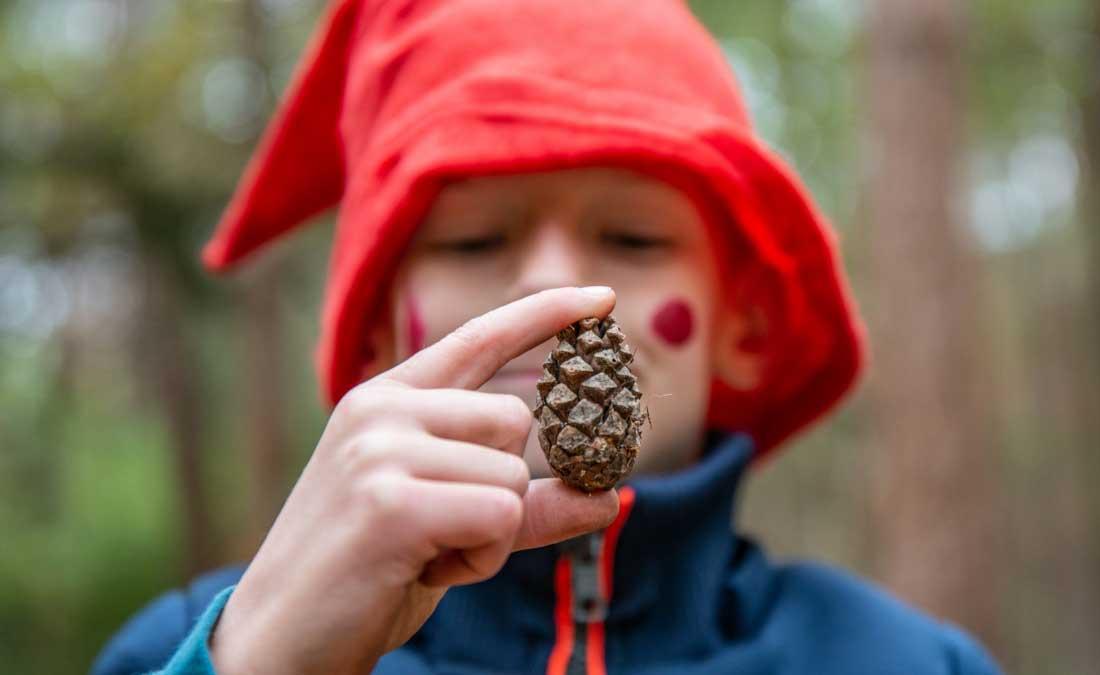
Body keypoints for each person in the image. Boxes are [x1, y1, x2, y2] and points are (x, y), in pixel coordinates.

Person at [92, 1, 1003, 673]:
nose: (554, 286)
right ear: (375, 338)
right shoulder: (206, 640)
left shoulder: (902, 659)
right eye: (475, 239)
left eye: (635, 239)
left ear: (743, 329)